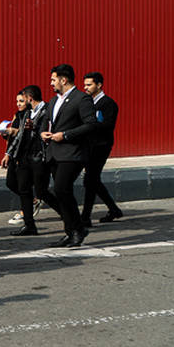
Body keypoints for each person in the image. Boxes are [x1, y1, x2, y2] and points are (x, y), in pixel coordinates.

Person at [39, 64, 97, 247]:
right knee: (61, 192)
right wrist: (42, 133)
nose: (51, 83)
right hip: (54, 153)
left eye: (53, 80)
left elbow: (91, 124)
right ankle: (70, 231)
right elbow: (46, 121)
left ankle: (78, 228)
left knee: (61, 188)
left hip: (73, 153)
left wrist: (65, 135)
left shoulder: (82, 99)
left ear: (63, 80)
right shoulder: (53, 101)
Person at [6, 85, 52, 237]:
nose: (21, 102)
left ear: (29, 98)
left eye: (23, 99)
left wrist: (35, 128)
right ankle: (29, 225)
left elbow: (47, 132)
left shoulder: (46, 110)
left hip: (40, 157)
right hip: (25, 156)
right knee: (23, 189)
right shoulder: (28, 113)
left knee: (42, 192)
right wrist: (10, 153)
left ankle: (70, 219)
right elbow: (20, 137)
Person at [81, 72, 122, 225]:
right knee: (92, 180)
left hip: (101, 146)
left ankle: (85, 217)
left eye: (89, 85)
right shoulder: (87, 103)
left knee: (90, 179)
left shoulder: (108, 103)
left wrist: (90, 125)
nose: (86, 88)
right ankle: (113, 209)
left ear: (99, 85)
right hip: (88, 145)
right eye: (85, 85)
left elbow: (108, 125)